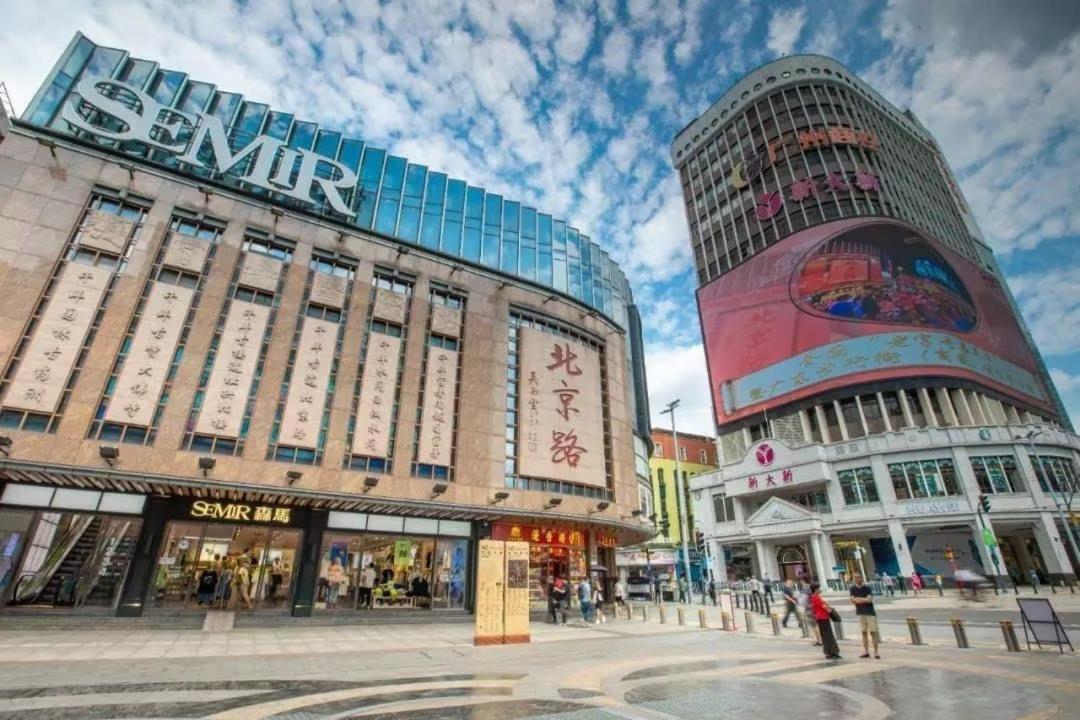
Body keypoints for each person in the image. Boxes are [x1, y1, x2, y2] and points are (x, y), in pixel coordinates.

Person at [849, 573, 880, 659]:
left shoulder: (867, 588)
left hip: (870, 612)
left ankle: (876, 652)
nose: (856, 579)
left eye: (858, 577)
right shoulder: (852, 589)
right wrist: (864, 599)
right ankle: (866, 652)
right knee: (863, 632)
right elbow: (852, 600)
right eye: (855, 577)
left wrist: (858, 599)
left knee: (873, 632)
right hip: (860, 612)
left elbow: (869, 600)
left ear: (861, 578)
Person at [809, 583, 841, 659]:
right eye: (819, 588)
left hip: (823, 618)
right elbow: (825, 607)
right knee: (827, 636)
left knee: (827, 635)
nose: (820, 590)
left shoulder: (816, 597)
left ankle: (830, 652)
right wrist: (833, 613)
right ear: (815, 590)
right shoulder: (815, 597)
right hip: (822, 618)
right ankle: (831, 652)